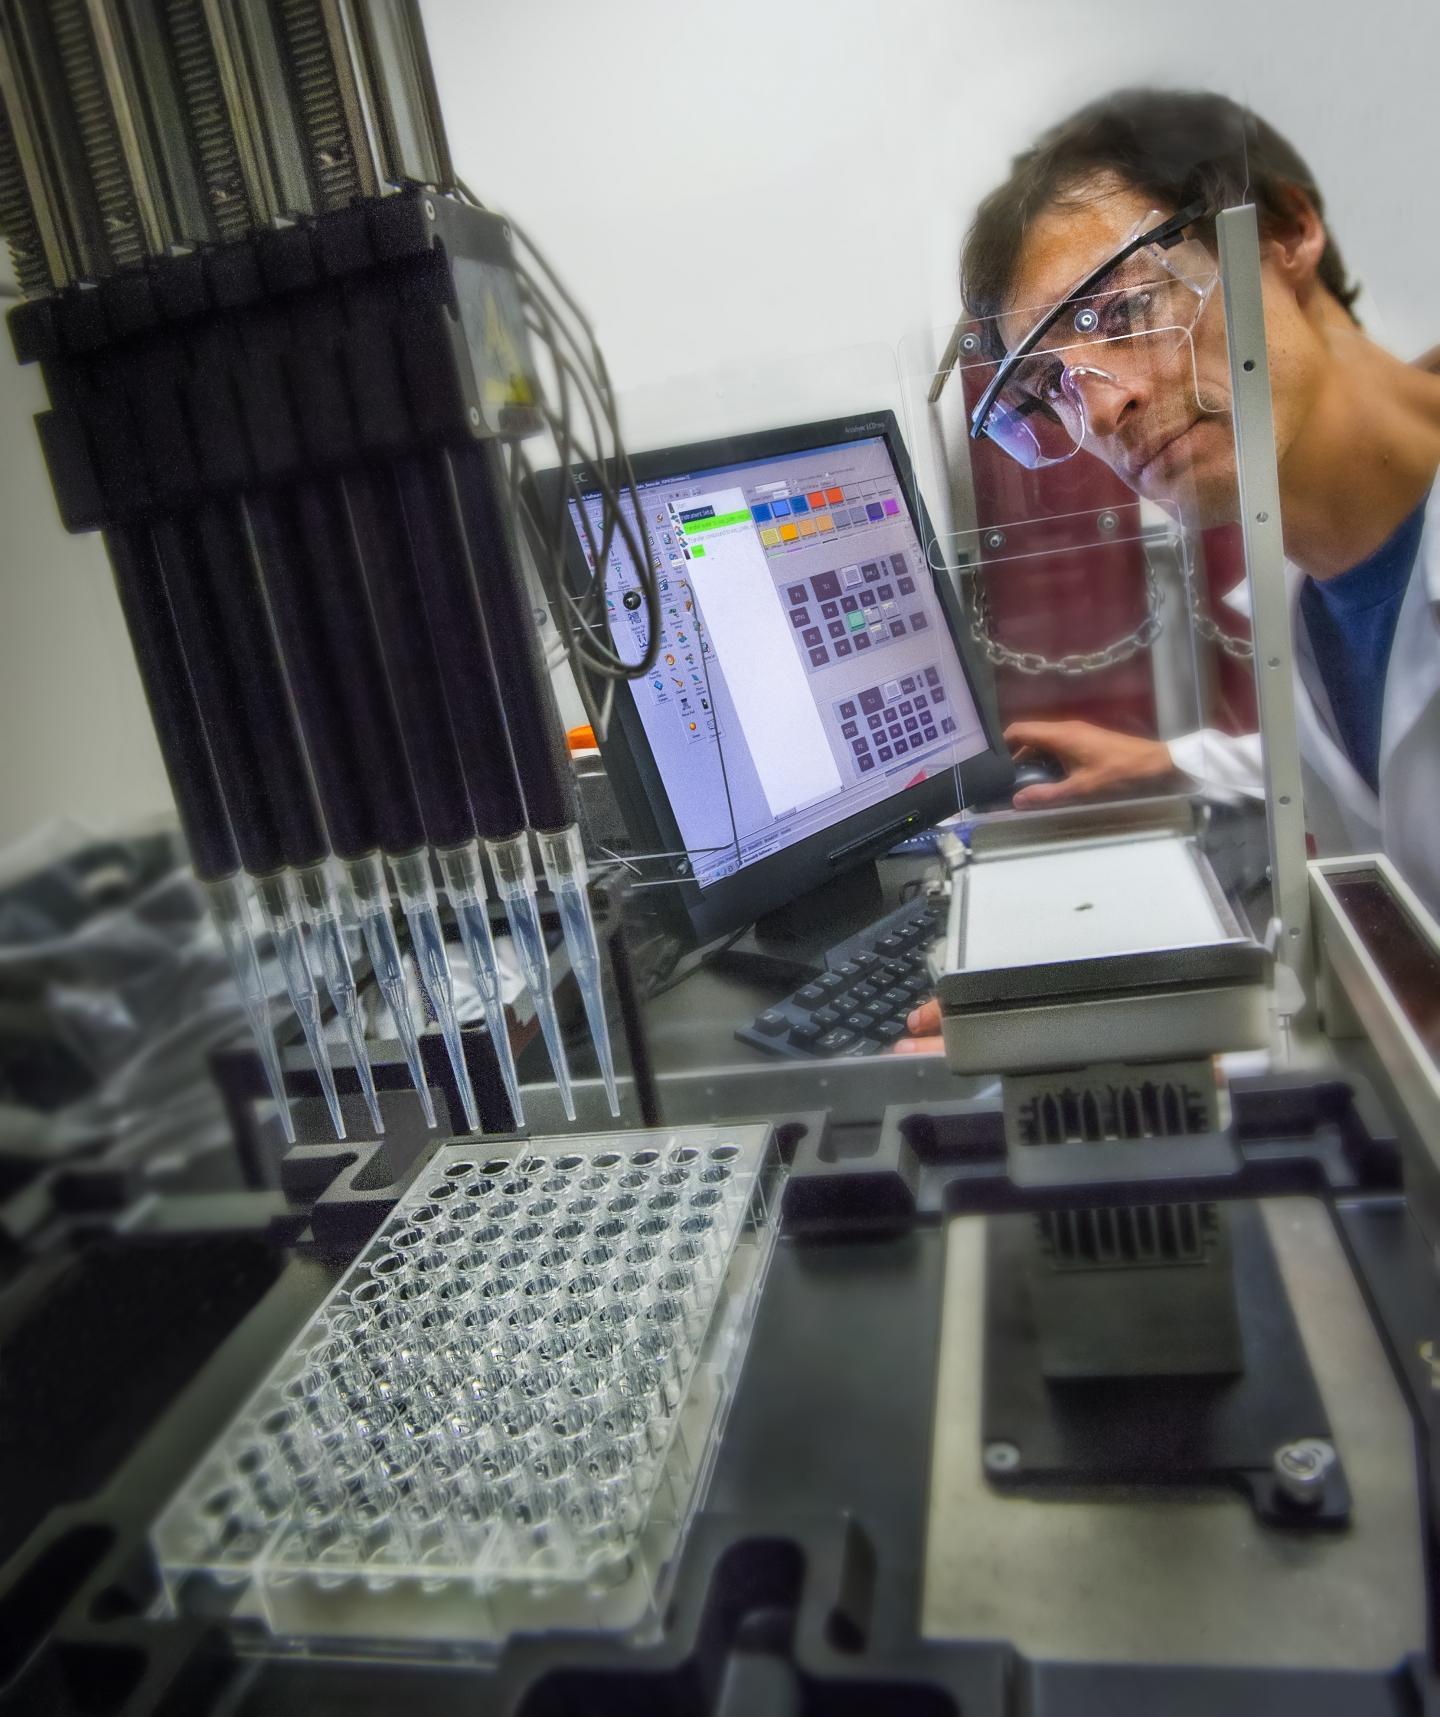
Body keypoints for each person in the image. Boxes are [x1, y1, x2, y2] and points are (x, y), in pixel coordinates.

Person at [901, 87, 1440, 1052]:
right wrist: (1170, 764)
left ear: (1285, 231)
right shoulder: (1313, 590)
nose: (1102, 411)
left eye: (1122, 313)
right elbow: (1376, 755)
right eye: (1056, 385)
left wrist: (1179, 1023)